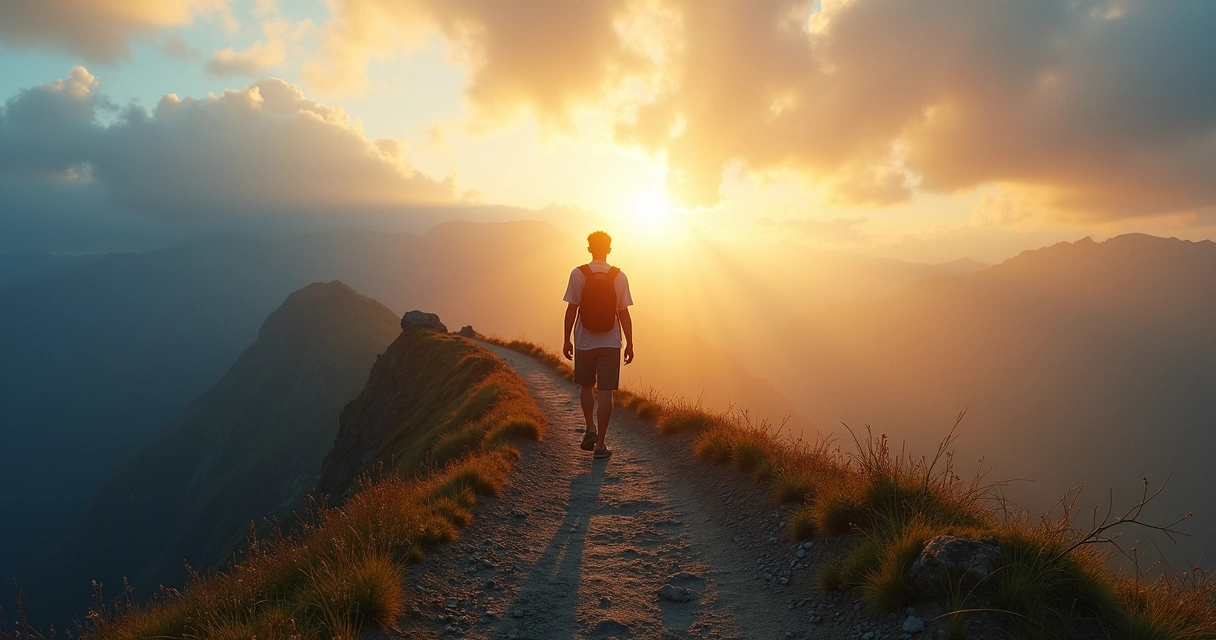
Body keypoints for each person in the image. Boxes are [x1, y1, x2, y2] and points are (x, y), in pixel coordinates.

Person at [562, 230, 634, 460]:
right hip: (611, 342)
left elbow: (571, 308)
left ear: (589, 248)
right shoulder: (618, 276)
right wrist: (630, 343)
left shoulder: (578, 273)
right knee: (605, 394)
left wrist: (566, 339)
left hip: (584, 341)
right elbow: (623, 313)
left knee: (585, 386)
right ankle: (601, 445)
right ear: (609, 249)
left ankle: (589, 428)